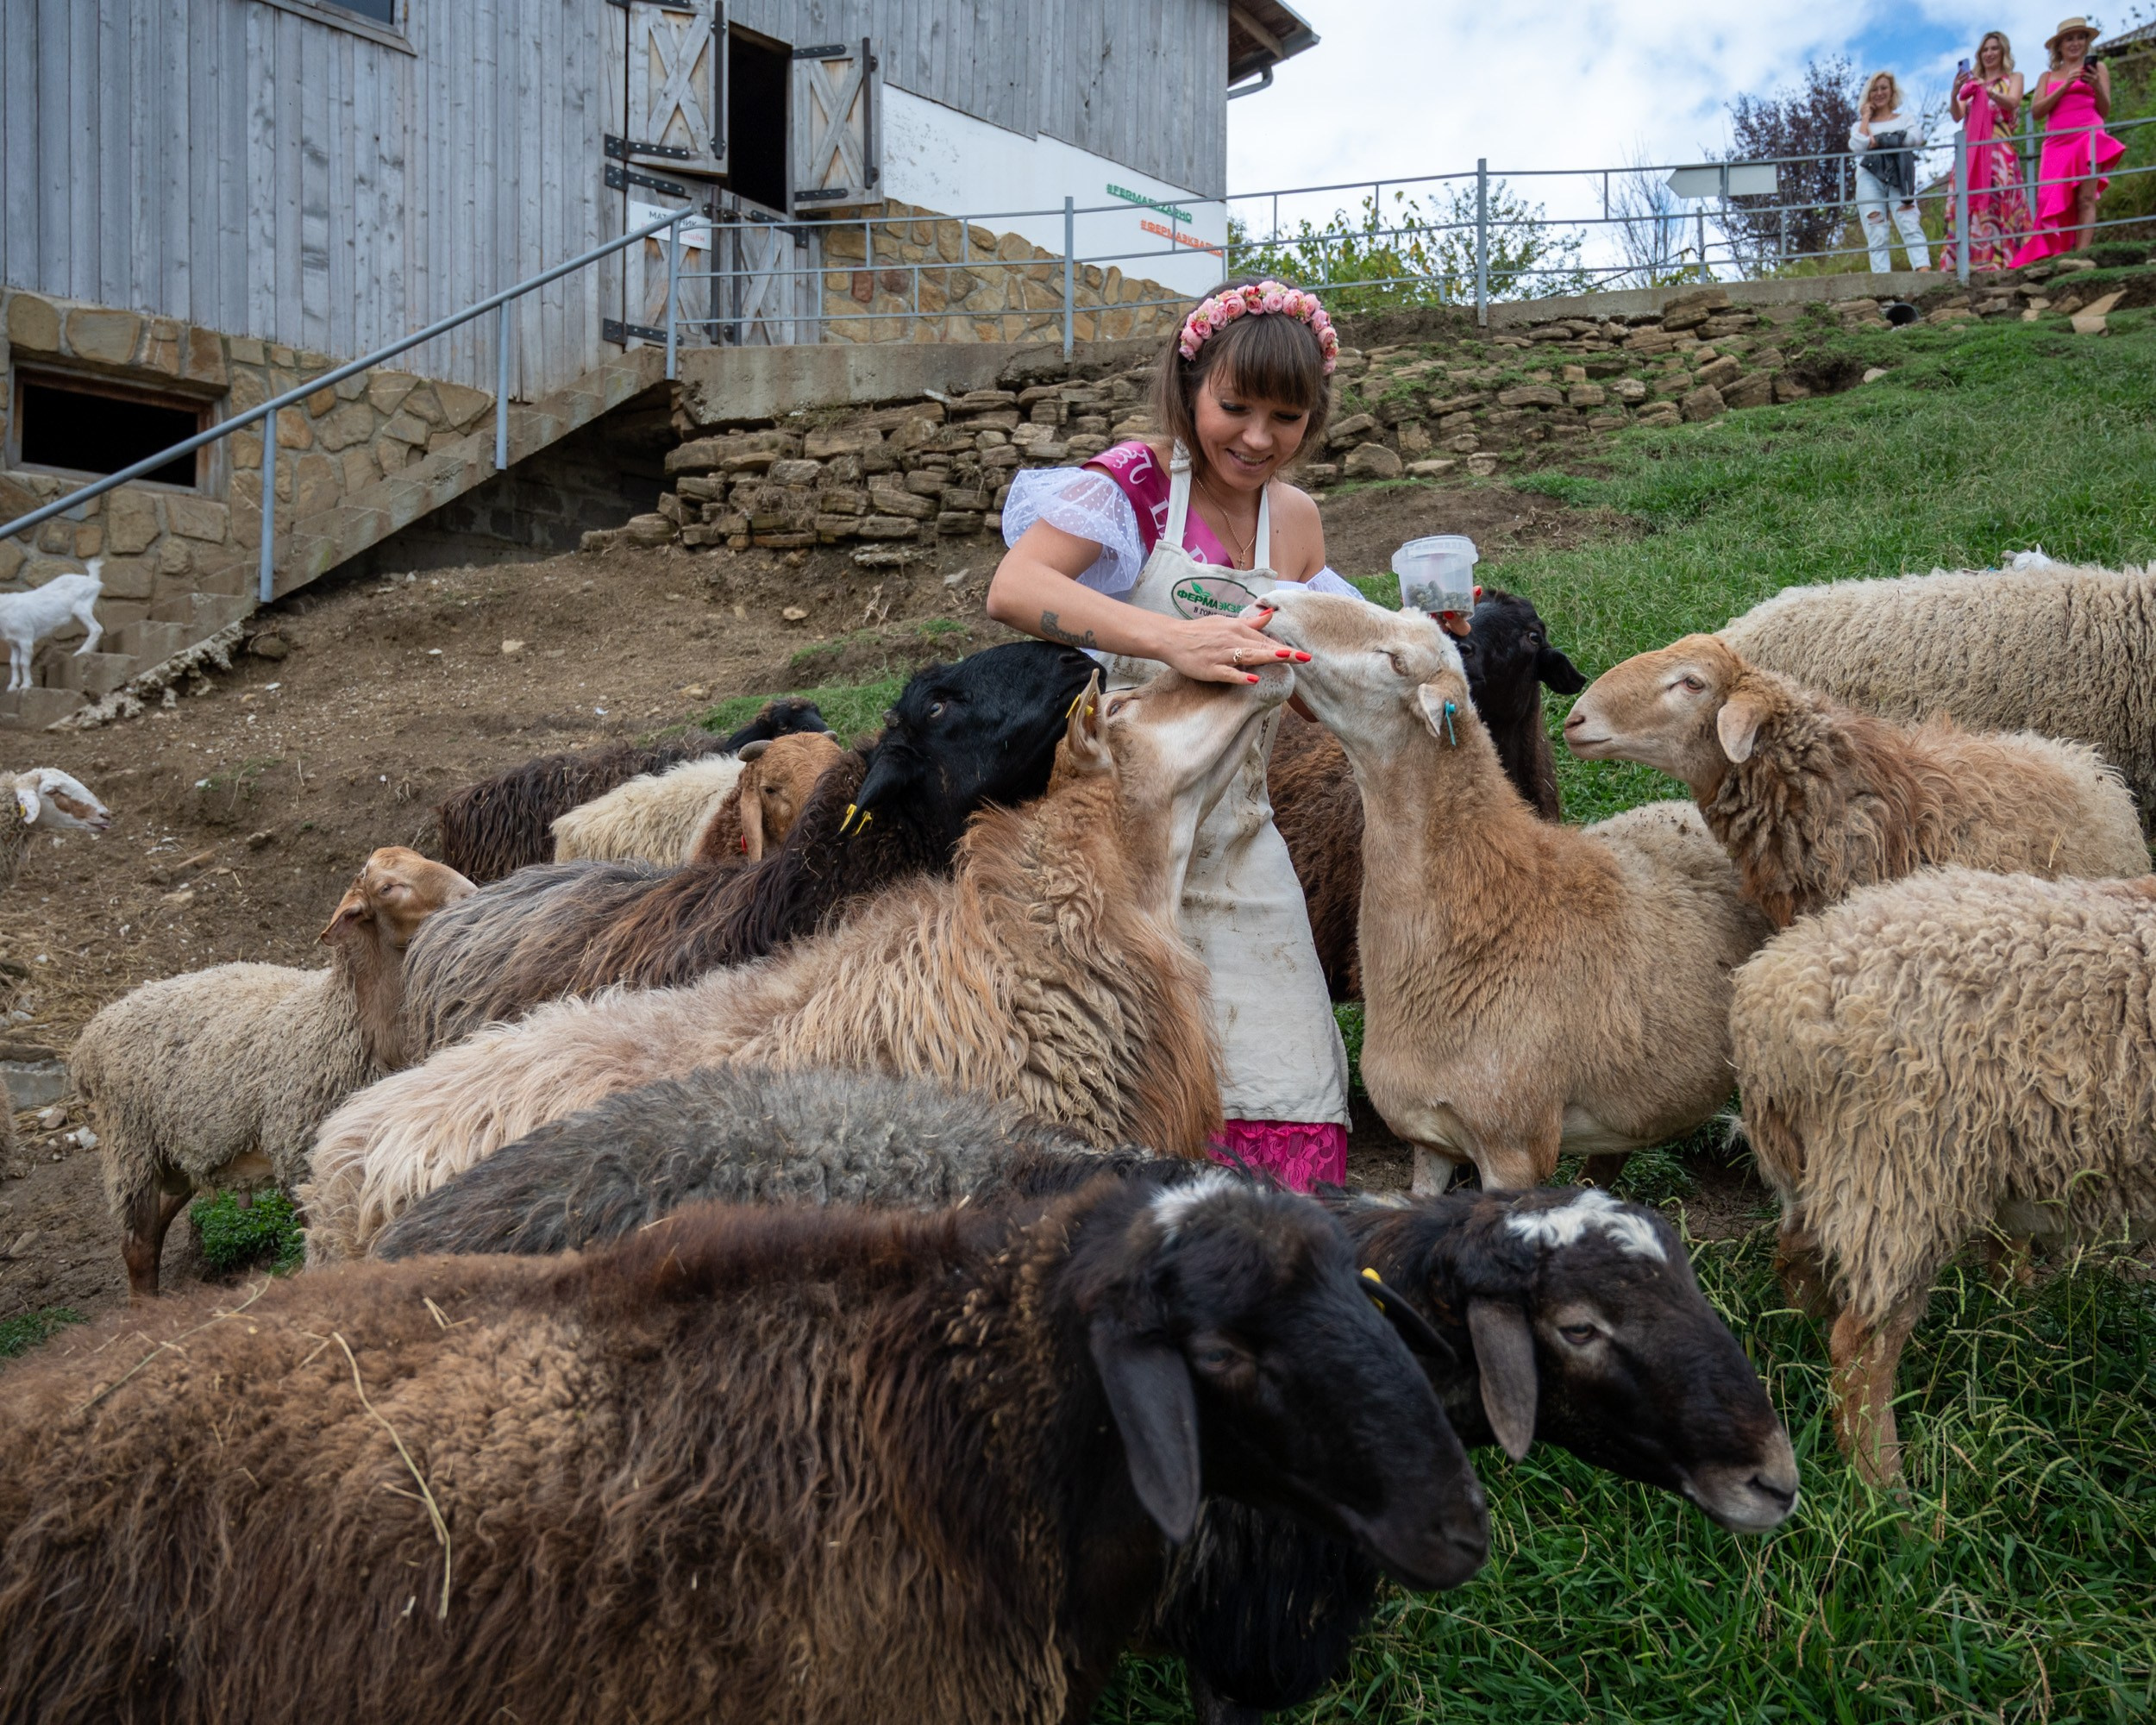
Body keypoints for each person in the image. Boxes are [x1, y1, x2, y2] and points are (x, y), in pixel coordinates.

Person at [987, 278, 1355, 1191]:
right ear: (1190, 384)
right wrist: (1169, 638)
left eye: (1286, 415)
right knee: (1115, 1079)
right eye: (1235, 406)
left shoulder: (1296, 523)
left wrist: (1414, 655)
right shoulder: (1138, 485)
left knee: (1290, 1076)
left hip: (1240, 837)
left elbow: (1313, 686)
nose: (1258, 437)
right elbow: (1014, 586)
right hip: (1119, 836)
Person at [2010, 17, 2122, 265]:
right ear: (2059, 46)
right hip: (2057, 142)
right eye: (2069, 39)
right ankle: (2056, 253)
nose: (2075, 43)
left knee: (2085, 198)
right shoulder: (2047, 76)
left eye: (2080, 37)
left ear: (2086, 42)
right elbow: (2037, 112)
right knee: (2046, 198)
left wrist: (2095, 87)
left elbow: (2105, 110)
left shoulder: (2098, 69)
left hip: (2088, 135)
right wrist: (2065, 86)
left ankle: (2080, 257)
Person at [1947, 31, 2032, 269]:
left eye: (1994, 48)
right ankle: (1970, 263)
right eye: (1985, 49)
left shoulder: (2013, 78)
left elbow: (2013, 102)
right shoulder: (1971, 85)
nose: (1989, 53)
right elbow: (1957, 115)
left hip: (1999, 154)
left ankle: (2004, 261)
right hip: (1971, 154)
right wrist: (1956, 92)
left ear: (2003, 52)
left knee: (1998, 202)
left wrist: (1988, 91)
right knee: (1967, 203)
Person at [1850, 70, 1932, 273]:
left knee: (1909, 220)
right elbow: (1858, 145)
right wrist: (1866, 118)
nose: (1879, 93)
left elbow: (1914, 138)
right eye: (1874, 90)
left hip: (1900, 174)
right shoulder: (1861, 125)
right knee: (1875, 227)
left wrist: (1879, 141)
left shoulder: (1905, 117)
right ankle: (1882, 283)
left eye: (1883, 88)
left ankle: (1923, 272)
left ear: (1892, 91)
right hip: (1869, 176)